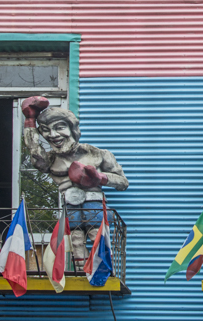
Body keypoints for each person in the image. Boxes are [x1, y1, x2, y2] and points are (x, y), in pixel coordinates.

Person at [21, 96, 128, 266]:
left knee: (96, 235)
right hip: (70, 202)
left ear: (72, 128)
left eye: (59, 127)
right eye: (45, 130)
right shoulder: (49, 159)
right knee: (76, 240)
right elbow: (34, 151)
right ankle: (82, 272)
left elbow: (123, 182)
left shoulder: (97, 154)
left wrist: (101, 178)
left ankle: (102, 270)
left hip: (93, 202)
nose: (53, 135)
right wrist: (29, 121)